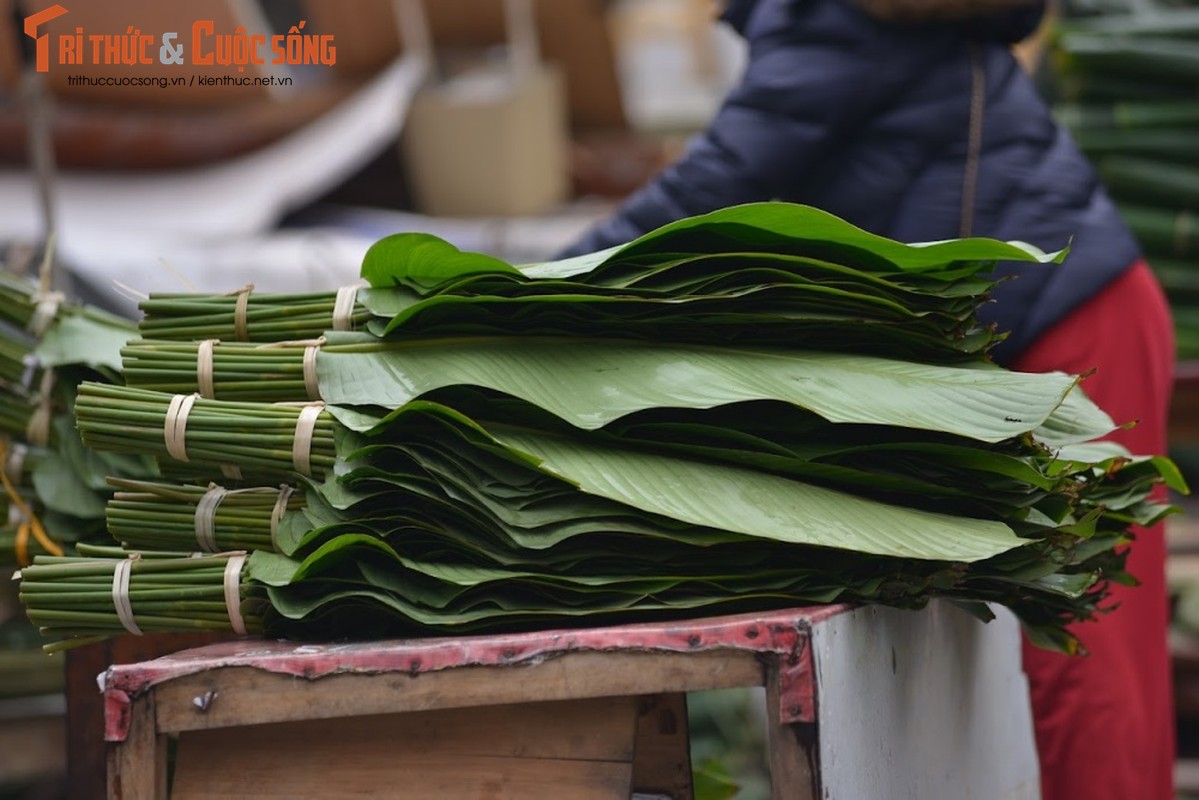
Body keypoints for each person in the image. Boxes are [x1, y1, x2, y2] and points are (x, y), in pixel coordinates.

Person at [558, 1, 1176, 798]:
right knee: (1079, 654)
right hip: (1050, 320)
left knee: (1088, 653)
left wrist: (506, 295)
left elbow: (716, 186)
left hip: (1072, 320)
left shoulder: (827, 13)